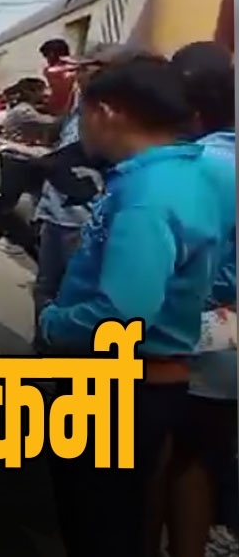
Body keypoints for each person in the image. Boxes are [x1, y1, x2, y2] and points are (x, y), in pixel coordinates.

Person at [37, 55, 230, 557]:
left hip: (117, 384)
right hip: (155, 379)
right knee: (124, 516)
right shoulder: (188, 175)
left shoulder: (146, 195)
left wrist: (56, 322)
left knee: (96, 522)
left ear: (108, 111)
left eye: (83, 111)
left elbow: (123, 313)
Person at [158, 42, 238, 557]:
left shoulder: (193, 167)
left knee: (159, 461)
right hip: (229, 343)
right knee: (204, 459)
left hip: (190, 334)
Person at [31, 43, 123, 337]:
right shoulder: (79, 107)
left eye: (82, 69)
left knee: (74, 293)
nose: (74, 75)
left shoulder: (113, 115)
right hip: (56, 214)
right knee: (45, 288)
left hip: (82, 220)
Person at [41, 38, 77, 114]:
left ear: (52, 54)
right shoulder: (75, 67)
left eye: (46, 56)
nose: (47, 60)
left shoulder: (51, 71)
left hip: (61, 109)